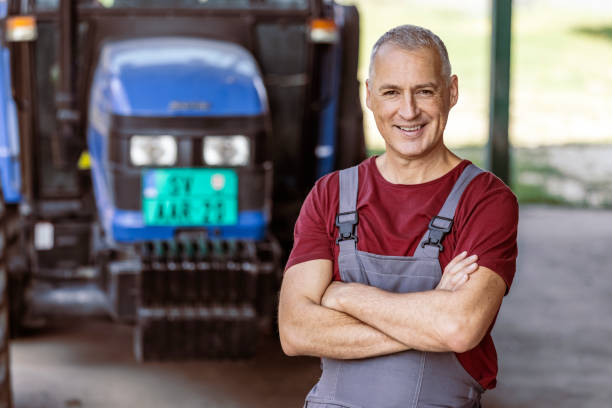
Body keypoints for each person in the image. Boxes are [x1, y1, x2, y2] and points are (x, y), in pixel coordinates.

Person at [278, 24, 518, 408]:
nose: (408, 111)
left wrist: (345, 295)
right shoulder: (330, 195)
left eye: (425, 91)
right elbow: (294, 331)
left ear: (451, 92)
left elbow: (459, 327)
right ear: (369, 96)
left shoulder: (486, 200)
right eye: (391, 92)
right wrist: (430, 314)